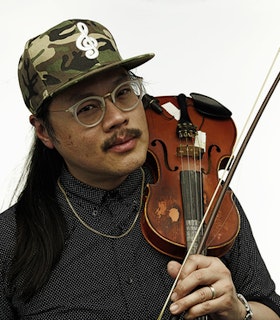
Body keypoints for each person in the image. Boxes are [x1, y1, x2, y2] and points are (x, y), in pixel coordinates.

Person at [0, 19, 279, 320]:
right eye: (88, 108)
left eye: (123, 92)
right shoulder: (7, 242)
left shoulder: (207, 196)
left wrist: (239, 311)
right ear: (43, 131)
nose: (118, 117)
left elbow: (270, 309)